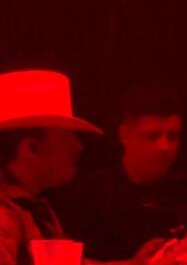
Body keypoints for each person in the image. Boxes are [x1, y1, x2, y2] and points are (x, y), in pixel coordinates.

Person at [0, 70, 168, 265]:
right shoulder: (4, 217)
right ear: (31, 148)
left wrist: (135, 264)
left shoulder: (32, 208)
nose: (78, 146)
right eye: (67, 136)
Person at [53, 84, 187, 265]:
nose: (165, 146)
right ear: (124, 135)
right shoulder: (90, 194)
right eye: (152, 136)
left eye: (173, 136)